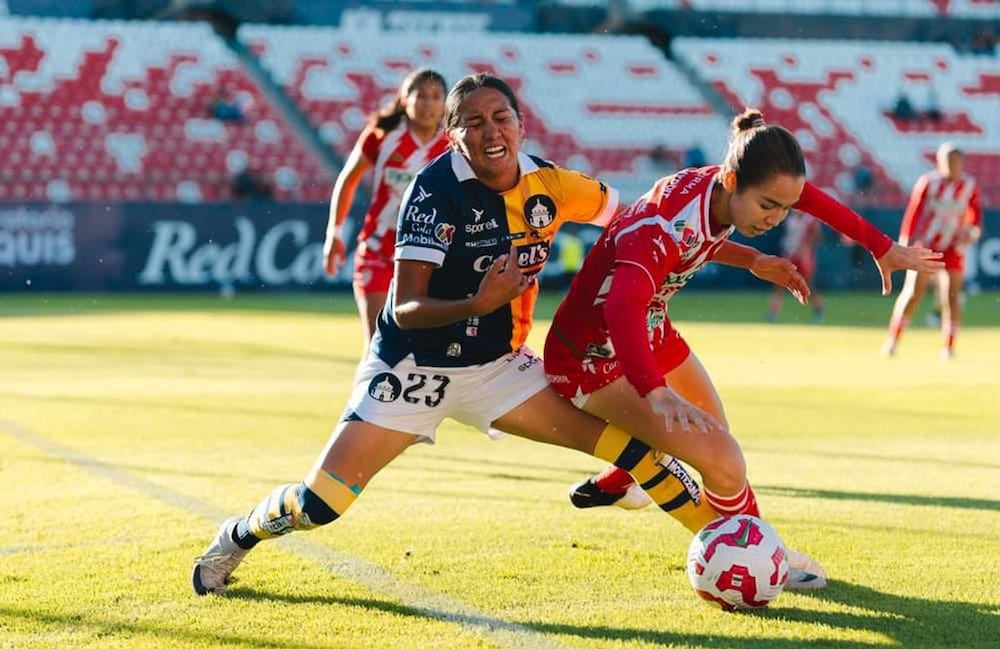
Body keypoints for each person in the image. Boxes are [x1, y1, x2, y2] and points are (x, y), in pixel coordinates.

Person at [192, 73, 735, 596]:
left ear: (521, 125)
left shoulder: (552, 184)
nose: (490, 131)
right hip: (411, 369)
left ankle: (738, 544)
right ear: (454, 136)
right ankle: (239, 534)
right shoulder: (432, 191)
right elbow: (404, 308)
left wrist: (744, 253)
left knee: (638, 453)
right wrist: (478, 302)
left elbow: (645, 221)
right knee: (321, 505)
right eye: (473, 123)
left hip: (496, 370)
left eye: (501, 117)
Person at [544, 109, 943, 589]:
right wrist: (653, 389)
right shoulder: (661, 224)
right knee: (724, 462)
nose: (776, 219)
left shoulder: (721, 192)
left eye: (783, 210)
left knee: (719, 444)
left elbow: (809, 201)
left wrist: (877, 246)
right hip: (589, 356)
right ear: (732, 180)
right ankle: (765, 558)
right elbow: (621, 307)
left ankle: (625, 481)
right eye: (768, 206)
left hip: (650, 328)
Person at [323, 69, 450, 338]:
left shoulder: (452, 145)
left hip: (428, 254)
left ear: (445, 103)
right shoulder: (382, 135)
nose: (428, 104)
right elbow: (348, 179)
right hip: (378, 247)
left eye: (436, 96)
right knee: (378, 342)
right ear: (405, 99)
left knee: (422, 346)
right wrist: (334, 232)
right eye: (421, 96)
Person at [883, 142, 981, 359]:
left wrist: (972, 232)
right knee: (913, 293)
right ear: (939, 161)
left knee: (952, 296)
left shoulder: (969, 185)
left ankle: (949, 347)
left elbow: (976, 215)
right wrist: (906, 243)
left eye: (956, 161)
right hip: (927, 245)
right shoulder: (928, 182)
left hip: (953, 245)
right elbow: (913, 214)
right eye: (948, 160)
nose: (952, 165)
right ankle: (892, 340)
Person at [767, 210, 823, 322]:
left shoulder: (810, 219)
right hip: (789, 253)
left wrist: (805, 247)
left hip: (804, 257)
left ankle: (818, 310)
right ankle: (772, 312)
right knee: (780, 282)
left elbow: (818, 237)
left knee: (807, 285)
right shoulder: (790, 218)